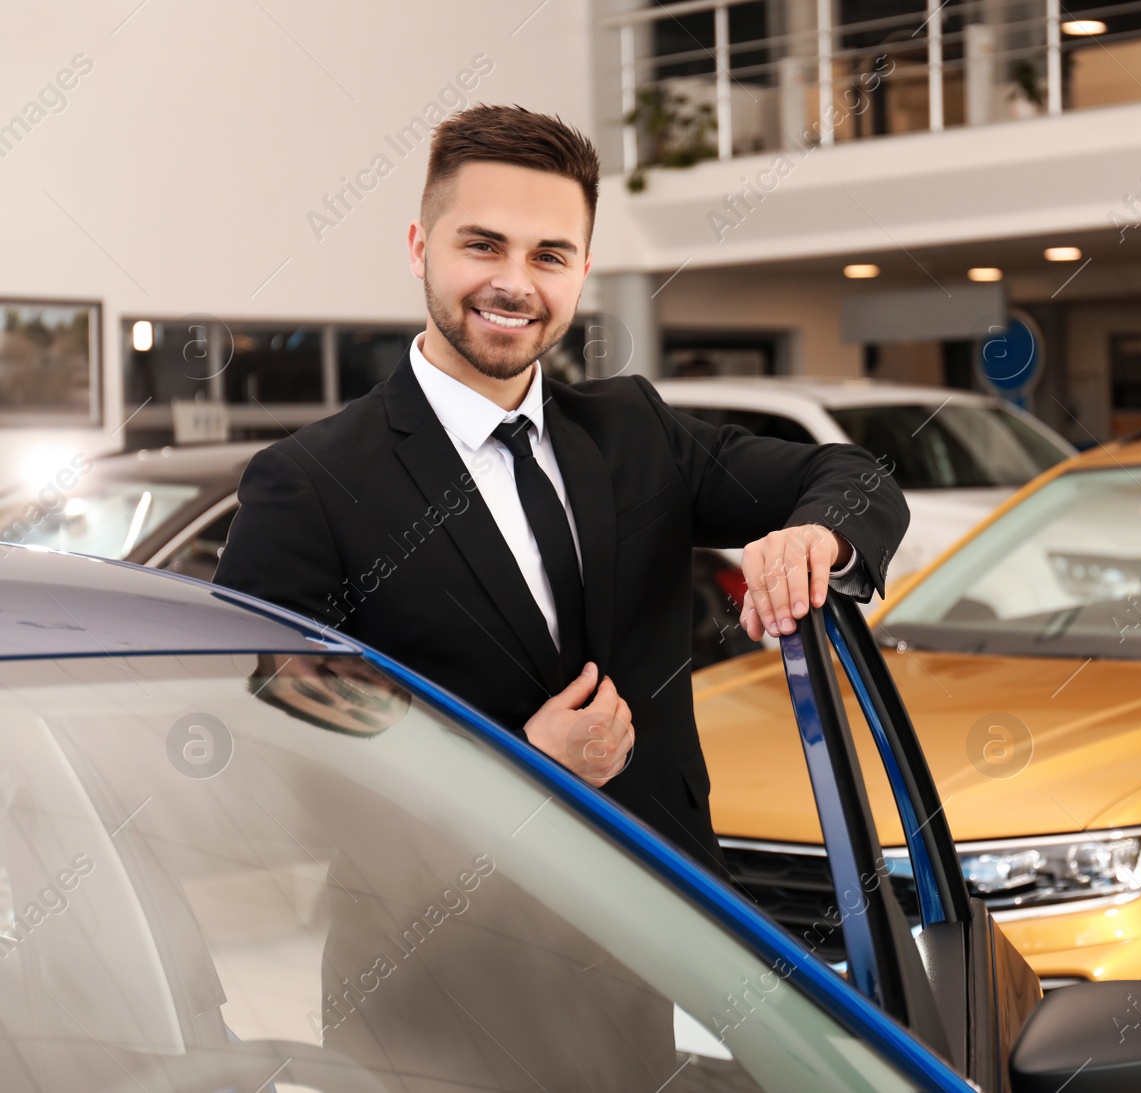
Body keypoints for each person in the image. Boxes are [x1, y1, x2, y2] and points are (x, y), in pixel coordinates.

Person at [213, 104, 907, 875]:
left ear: (582, 269)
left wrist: (815, 537)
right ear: (419, 248)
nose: (514, 284)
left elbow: (854, 478)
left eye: (549, 255)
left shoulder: (636, 428)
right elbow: (276, 745)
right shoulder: (309, 482)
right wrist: (519, 763)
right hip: (437, 958)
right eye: (482, 245)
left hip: (665, 931)